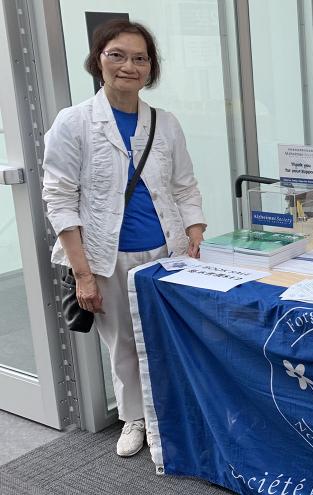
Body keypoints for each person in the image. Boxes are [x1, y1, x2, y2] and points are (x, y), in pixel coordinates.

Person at [42, 20, 205, 457]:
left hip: (165, 253)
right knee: (123, 343)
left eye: (140, 58)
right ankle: (135, 419)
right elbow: (59, 200)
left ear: (150, 69)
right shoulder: (73, 122)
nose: (128, 66)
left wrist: (195, 231)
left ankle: (165, 415)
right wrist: (83, 273)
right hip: (105, 256)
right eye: (117, 55)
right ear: (98, 60)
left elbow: (185, 185)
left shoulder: (164, 123)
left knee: (166, 338)